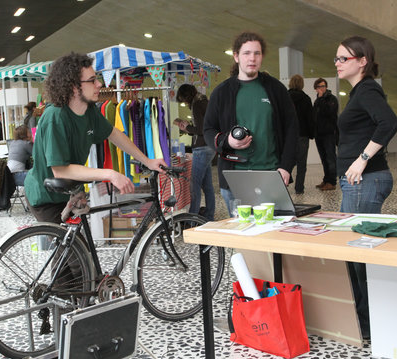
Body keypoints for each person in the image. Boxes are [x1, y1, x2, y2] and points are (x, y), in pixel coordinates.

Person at [24, 52, 166, 224]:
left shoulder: (89, 110)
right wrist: (110, 174)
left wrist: (147, 161)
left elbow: (114, 134)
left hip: (69, 191)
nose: (99, 84)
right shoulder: (56, 116)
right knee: (71, 248)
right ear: (74, 87)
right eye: (92, 80)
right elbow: (60, 170)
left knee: (81, 248)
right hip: (46, 197)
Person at [335, 35, 397, 339]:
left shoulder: (368, 89)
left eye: (343, 58)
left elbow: (389, 122)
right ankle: (365, 322)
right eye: (336, 59)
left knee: (359, 257)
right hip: (361, 183)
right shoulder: (359, 92)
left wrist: (361, 159)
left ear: (362, 61)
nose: (337, 63)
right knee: (357, 255)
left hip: (365, 181)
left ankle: (370, 325)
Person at [204, 31, 298, 215]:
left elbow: (292, 130)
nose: (252, 58)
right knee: (242, 238)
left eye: (257, 53)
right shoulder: (222, 92)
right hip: (234, 179)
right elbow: (208, 129)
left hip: (271, 175)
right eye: (246, 53)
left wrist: (286, 166)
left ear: (262, 57)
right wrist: (227, 141)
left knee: (273, 236)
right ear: (236, 56)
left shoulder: (275, 89)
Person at [174, 84, 215, 221]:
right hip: (210, 146)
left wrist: (187, 127)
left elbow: (201, 129)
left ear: (187, 96)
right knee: (207, 185)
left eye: (184, 100)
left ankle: (192, 218)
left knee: (195, 185)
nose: (185, 103)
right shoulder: (204, 101)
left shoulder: (197, 104)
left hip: (202, 148)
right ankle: (208, 216)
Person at [288, 74, 314, 195]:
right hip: (302, 134)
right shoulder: (306, 99)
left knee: (287, 162)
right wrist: (311, 133)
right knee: (301, 164)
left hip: (288, 135)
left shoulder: (285, 97)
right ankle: (299, 188)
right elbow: (310, 118)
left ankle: (283, 184)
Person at [313, 77, 339, 191]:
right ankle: (326, 179)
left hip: (329, 133)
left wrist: (322, 99)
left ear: (326, 87)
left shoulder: (331, 99)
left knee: (330, 158)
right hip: (319, 134)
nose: (321, 89)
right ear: (316, 88)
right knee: (323, 158)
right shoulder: (317, 101)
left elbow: (329, 113)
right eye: (319, 87)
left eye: (323, 86)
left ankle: (332, 182)